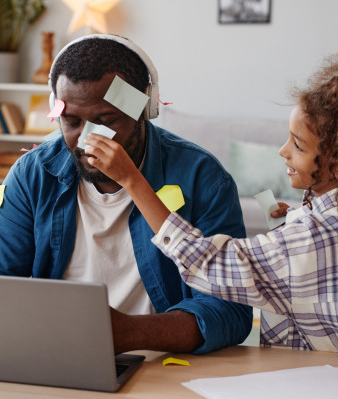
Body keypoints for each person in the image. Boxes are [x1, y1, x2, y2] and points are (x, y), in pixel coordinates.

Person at [0, 34, 252, 355]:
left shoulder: (203, 178)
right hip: (60, 353)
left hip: (161, 361)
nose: (87, 140)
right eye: (72, 121)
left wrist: (130, 333)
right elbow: (5, 285)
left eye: (106, 121)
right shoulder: (32, 174)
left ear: (143, 110)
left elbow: (231, 311)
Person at [81, 55, 338, 351]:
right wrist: (291, 223)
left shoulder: (314, 235)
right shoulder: (316, 224)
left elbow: (212, 265)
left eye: (298, 144)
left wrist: (133, 180)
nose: (282, 151)